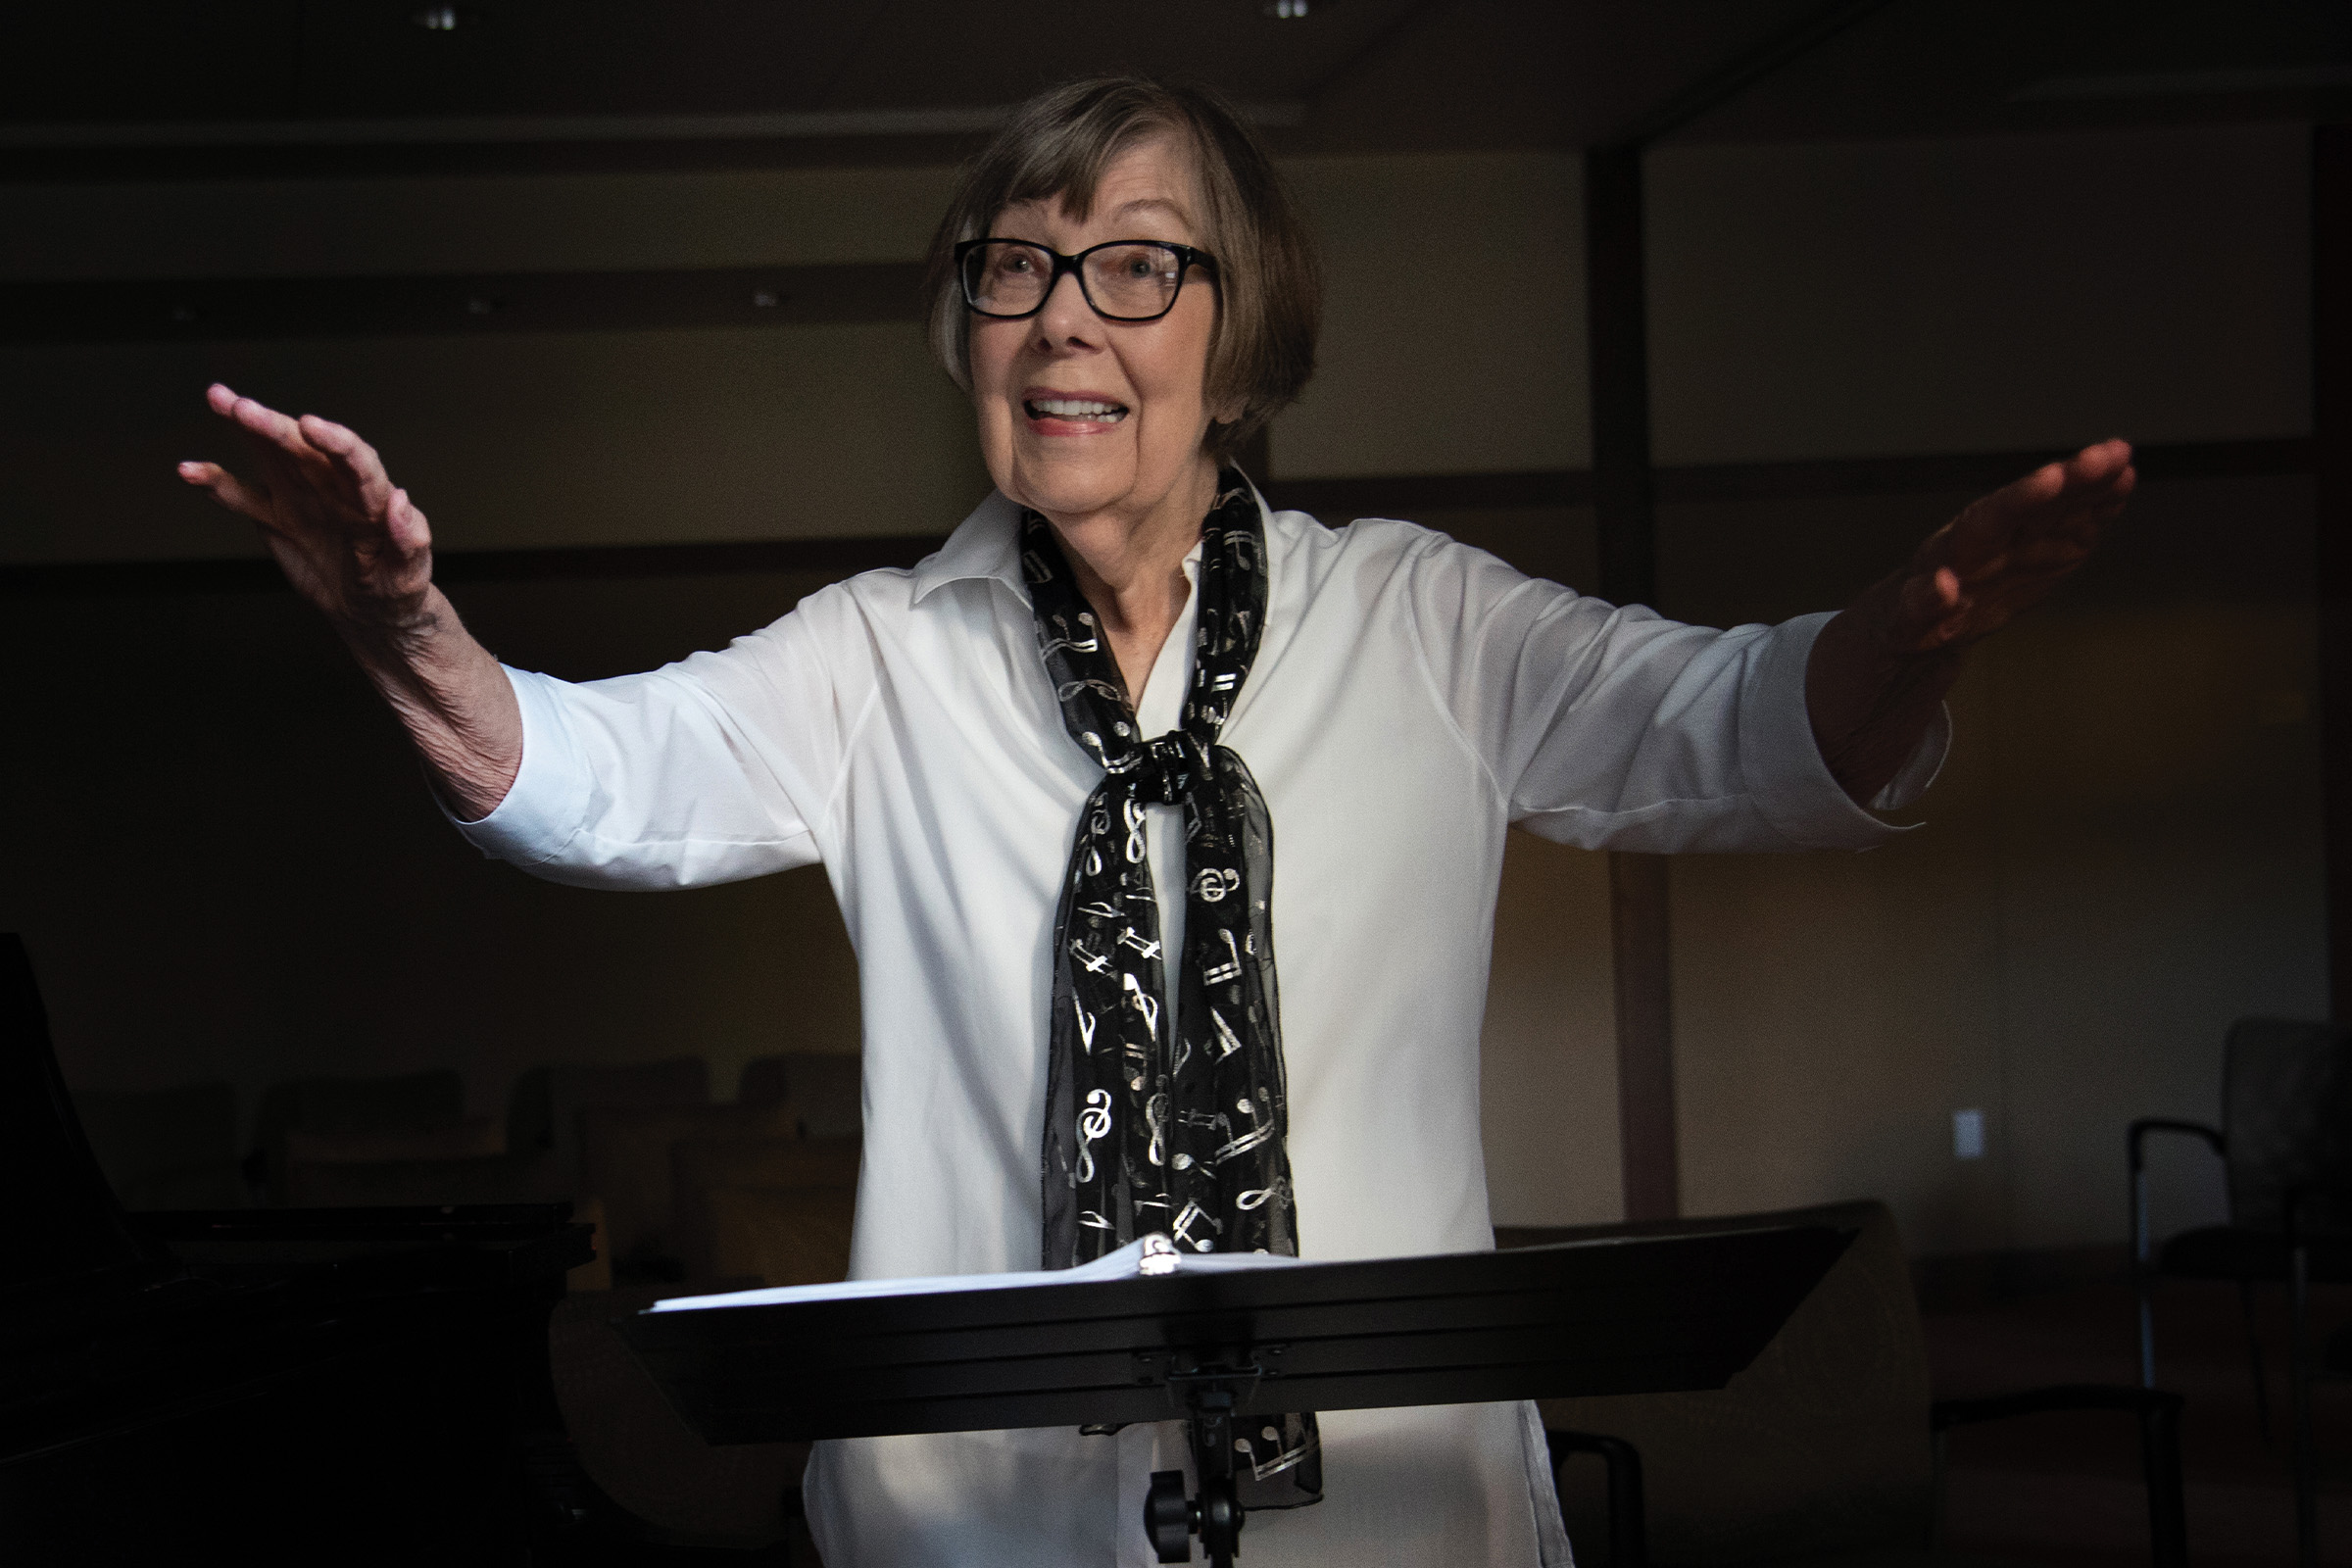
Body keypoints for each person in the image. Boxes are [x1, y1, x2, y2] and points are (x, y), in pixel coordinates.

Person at [179, 75, 2133, 1568]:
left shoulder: (1422, 623)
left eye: (1131, 264)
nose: (1058, 323)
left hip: (1392, 1516)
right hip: (980, 1523)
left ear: (1239, 331)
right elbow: (593, 778)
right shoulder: (879, 655)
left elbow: (1730, 726)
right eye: (1011, 270)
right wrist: (402, 627)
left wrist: (1904, 633)